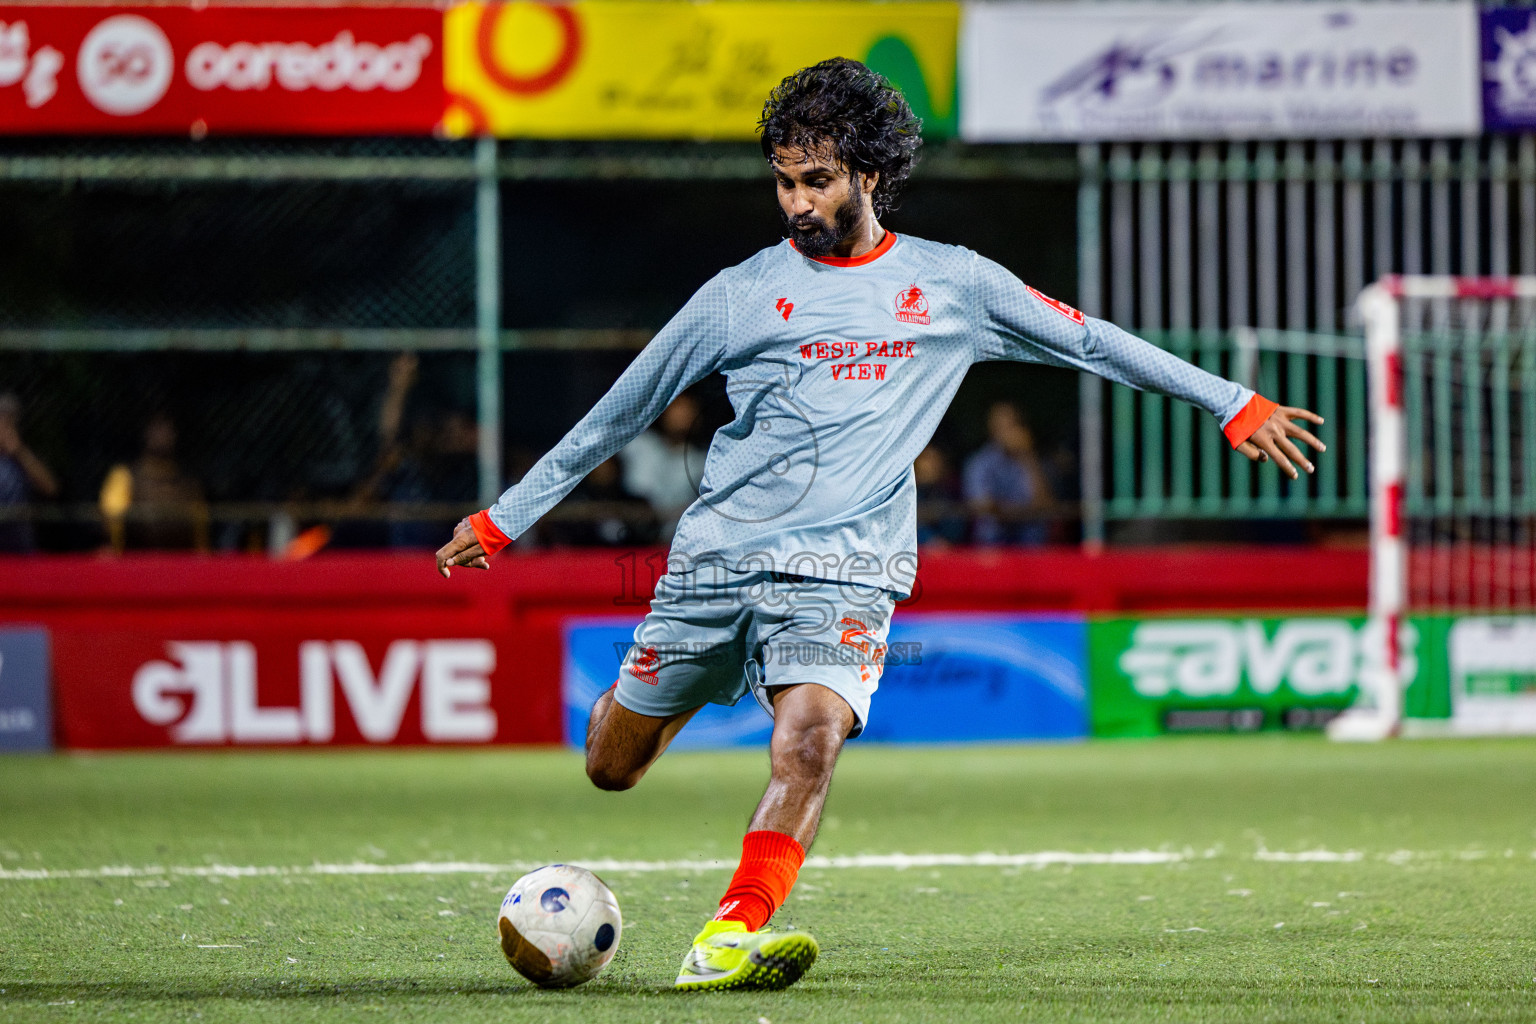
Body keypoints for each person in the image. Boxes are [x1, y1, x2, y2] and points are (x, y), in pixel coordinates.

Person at [435, 58, 1325, 992]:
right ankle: (664, 692)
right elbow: (617, 415)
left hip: (847, 571)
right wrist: (505, 520)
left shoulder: (955, 285)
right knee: (611, 769)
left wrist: (1230, 402)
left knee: (812, 738)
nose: (796, 202)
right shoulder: (739, 293)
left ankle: (730, 932)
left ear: (868, 175)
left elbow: (1093, 342)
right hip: (716, 565)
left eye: (816, 181)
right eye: (783, 180)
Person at [99, 412, 209, 553]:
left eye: (167, 430)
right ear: (146, 434)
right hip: (136, 559)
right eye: (157, 430)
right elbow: (111, 519)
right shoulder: (126, 476)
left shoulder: (188, 482)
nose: (162, 436)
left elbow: (200, 531)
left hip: (179, 560)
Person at [963, 401, 1055, 546]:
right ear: (992, 429)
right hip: (993, 544)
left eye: (1012, 425)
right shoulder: (979, 463)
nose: (1008, 432)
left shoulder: (1033, 461)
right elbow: (983, 506)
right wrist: (1024, 512)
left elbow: (1045, 504)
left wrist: (1027, 457)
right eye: (1001, 426)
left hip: (1031, 545)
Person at [620, 393, 706, 537]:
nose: (681, 415)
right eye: (677, 407)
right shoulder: (638, 444)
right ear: (663, 411)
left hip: (673, 539)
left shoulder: (701, 461)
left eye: (688, 409)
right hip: (625, 534)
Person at [0, 393, 59, 553]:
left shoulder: (21, 458)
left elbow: (50, 488)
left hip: (20, 547)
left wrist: (19, 451)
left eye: (10, 422)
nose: (6, 428)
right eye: (3, 421)